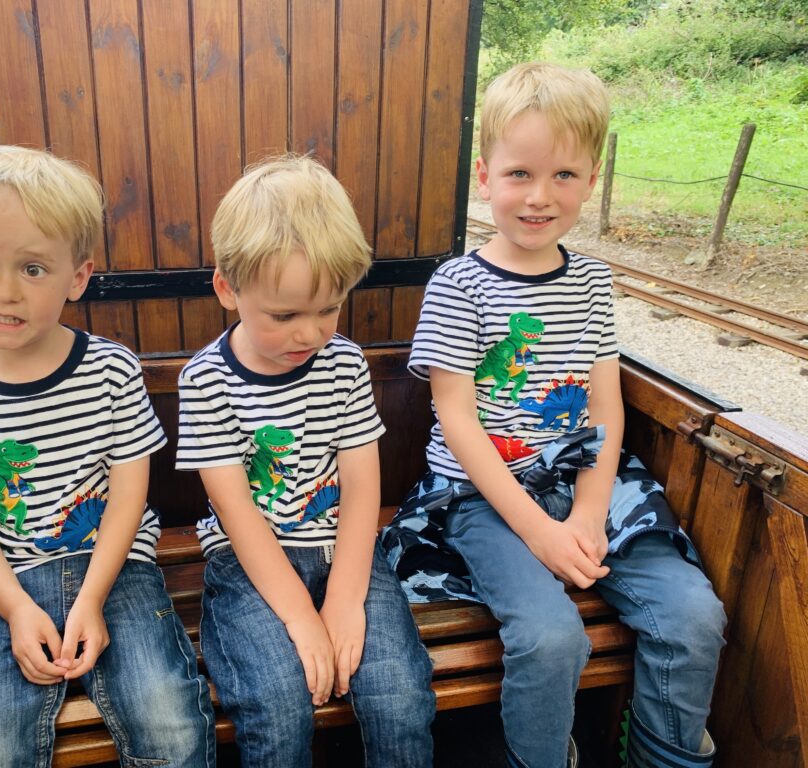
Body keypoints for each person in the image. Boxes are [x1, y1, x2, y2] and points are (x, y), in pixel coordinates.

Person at [381, 63, 726, 768]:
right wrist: (539, 531)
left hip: (587, 476)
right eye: (519, 175)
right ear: (485, 177)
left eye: (564, 176)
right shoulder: (458, 286)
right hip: (483, 492)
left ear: (591, 181)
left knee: (694, 618)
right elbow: (457, 420)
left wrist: (591, 512)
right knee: (551, 636)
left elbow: (605, 406)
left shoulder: (594, 280)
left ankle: (661, 756)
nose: (540, 197)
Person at [0, 145, 215, 767]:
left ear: (77, 277)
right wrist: (18, 610)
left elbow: (130, 495)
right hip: (5, 583)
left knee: (169, 719)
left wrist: (91, 601)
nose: (3, 290)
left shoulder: (110, 371)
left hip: (116, 569)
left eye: (32, 269)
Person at [176, 155, 436, 768]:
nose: (310, 334)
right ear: (227, 289)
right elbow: (237, 516)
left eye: (328, 309)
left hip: (346, 551)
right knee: (277, 701)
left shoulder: (343, 364)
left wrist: (344, 600)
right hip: (251, 563)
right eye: (285, 315)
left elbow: (362, 485)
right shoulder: (207, 382)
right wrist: (301, 617)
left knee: (399, 695)